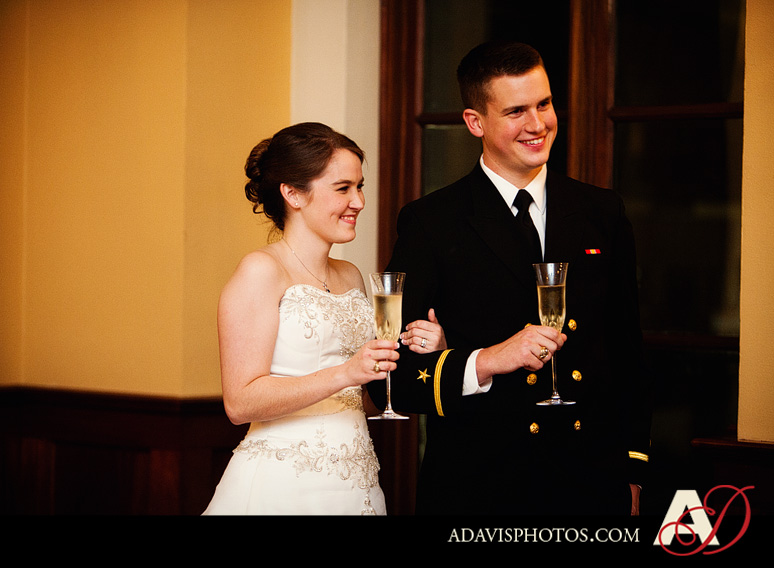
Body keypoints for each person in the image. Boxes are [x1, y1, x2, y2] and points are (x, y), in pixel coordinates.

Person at [370, 41, 652, 516]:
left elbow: (628, 353)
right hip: (481, 489)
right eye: (516, 111)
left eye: (544, 104)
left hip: (591, 483)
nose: (538, 124)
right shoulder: (432, 222)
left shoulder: (602, 211)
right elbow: (390, 380)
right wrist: (488, 360)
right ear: (475, 122)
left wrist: (633, 471)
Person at [203, 122, 444, 515]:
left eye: (360, 186)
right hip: (283, 484)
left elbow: (360, 400)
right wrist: (346, 372)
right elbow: (240, 403)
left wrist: (426, 351)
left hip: (356, 482)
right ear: (293, 194)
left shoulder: (350, 275)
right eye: (343, 188)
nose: (358, 201)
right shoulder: (260, 270)